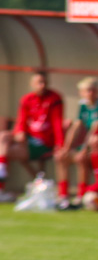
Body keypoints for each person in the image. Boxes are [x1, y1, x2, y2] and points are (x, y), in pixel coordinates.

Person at [0, 71, 65, 202]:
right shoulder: (27, 99)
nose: (42, 85)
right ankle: (2, 172)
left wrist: (60, 144)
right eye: (39, 83)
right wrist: (20, 132)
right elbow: (21, 121)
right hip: (28, 141)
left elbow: (57, 122)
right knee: (4, 136)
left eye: (44, 82)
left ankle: (2, 183)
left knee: (4, 151)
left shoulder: (54, 98)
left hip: (44, 143)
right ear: (32, 84)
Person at [55, 77, 98, 210]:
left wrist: (84, 149)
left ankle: (81, 195)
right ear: (81, 93)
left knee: (81, 158)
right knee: (61, 156)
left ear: (97, 91)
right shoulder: (83, 105)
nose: (90, 93)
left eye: (92, 90)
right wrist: (66, 147)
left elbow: (96, 129)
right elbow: (77, 126)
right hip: (88, 143)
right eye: (87, 91)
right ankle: (63, 194)